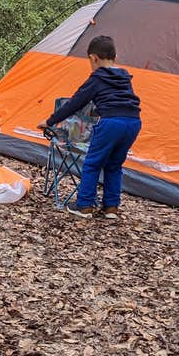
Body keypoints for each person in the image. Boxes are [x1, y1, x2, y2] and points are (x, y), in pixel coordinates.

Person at [38, 35, 142, 219]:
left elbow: (74, 103)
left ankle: (84, 205)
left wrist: (50, 121)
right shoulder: (124, 78)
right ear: (114, 58)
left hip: (111, 123)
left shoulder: (96, 79)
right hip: (133, 122)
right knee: (114, 165)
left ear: (93, 58)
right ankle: (111, 207)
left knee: (92, 164)